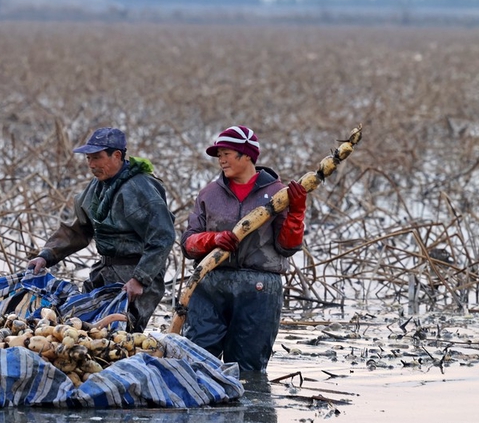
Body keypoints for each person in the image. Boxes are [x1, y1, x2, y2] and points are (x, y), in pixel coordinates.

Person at [179, 125, 307, 372]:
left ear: (247, 155)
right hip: (210, 285)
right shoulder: (209, 193)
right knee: (198, 364)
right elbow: (188, 243)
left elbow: (287, 246)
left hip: (259, 290)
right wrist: (213, 240)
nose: (221, 160)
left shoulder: (277, 194)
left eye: (227, 153)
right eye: (219, 156)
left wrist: (297, 211)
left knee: (248, 370)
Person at [26, 127, 176, 333]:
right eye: (88, 158)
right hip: (104, 271)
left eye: (96, 158)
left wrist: (140, 279)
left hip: (134, 276)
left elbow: (163, 236)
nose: (91, 165)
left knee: (117, 335)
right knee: (79, 328)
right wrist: (46, 256)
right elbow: (78, 229)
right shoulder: (97, 186)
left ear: (117, 155)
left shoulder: (140, 188)